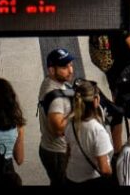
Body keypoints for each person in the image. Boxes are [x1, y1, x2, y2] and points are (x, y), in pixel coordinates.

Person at [38, 47, 75, 186]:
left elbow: (66, 92)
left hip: (52, 150)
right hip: (58, 153)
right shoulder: (56, 99)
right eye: (65, 67)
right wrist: (77, 112)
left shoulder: (51, 81)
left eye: (71, 65)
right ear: (52, 70)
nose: (71, 70)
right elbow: (59, 130)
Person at [64, 79, 113, 184]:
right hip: (91, 179)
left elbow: (68, 153)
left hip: (71, 177)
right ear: (95, 100)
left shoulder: (70, 123)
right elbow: (104, 169)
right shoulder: (97, 130)